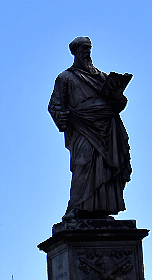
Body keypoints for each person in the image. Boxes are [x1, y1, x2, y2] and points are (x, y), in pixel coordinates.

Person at [48, 37, 132, 220]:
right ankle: (76, 207)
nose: (87, 52)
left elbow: (119, 103)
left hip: (107, 128)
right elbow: (54, 105)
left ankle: (102, 208)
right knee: (83, 164)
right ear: (75, 52)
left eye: (89, 48)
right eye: (83, 48)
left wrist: (118, 95)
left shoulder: (102, 78)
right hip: (82, 127)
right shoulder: (65, 78)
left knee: (105, 166)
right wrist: (60, 116)